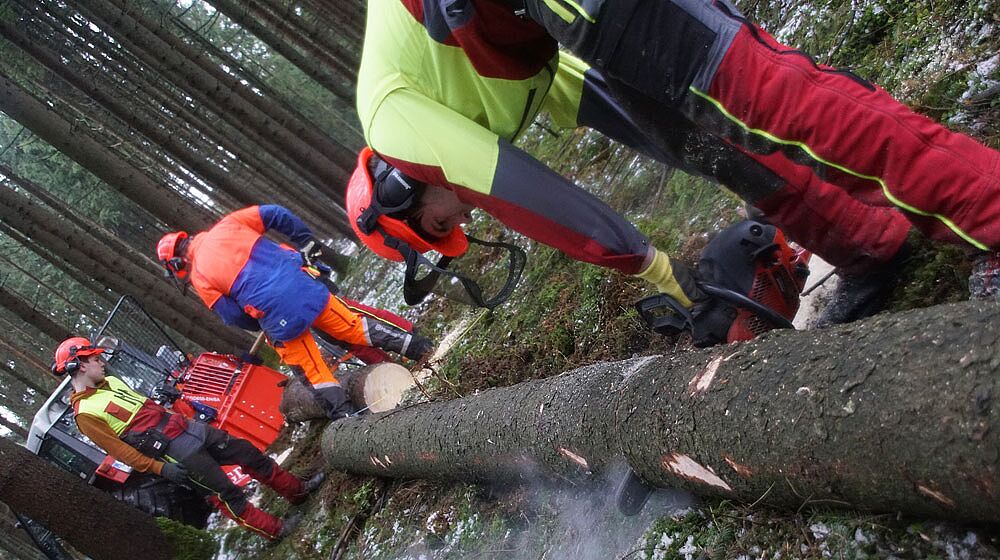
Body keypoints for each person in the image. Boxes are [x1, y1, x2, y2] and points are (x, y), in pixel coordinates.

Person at [347, 0, 1000, 335]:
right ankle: (865, 244)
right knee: (712, 136)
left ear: (404, 198)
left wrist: (655, 268)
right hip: (540, 17)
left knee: (765, 95)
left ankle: (988, 209)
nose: (458, 222)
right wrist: (692, 143)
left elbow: (538, 203)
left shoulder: (393, 122)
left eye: (439, 228)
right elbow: (604, 98)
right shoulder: (443, 88)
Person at [157, 205, 434, 419]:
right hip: (306, 285)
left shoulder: (201, 276)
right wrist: (307, 241)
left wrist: (261, 321)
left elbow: (233, 316)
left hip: (277, 314)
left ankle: (348, 416)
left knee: (312, 370)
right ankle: (420, 347)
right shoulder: (229, 225)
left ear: (178, 261)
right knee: (355, 326)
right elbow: (275, 213)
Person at [53, 336, 321, 540]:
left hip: (188, 427)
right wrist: (161, 468)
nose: (101, 361)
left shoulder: (110, 383)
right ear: (79, 366)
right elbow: (121, 452)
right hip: (173, 450)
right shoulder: (85, 415)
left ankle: (297, 490)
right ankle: (276, 530)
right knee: (225, 492)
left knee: (247, 453)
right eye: (94, 358)